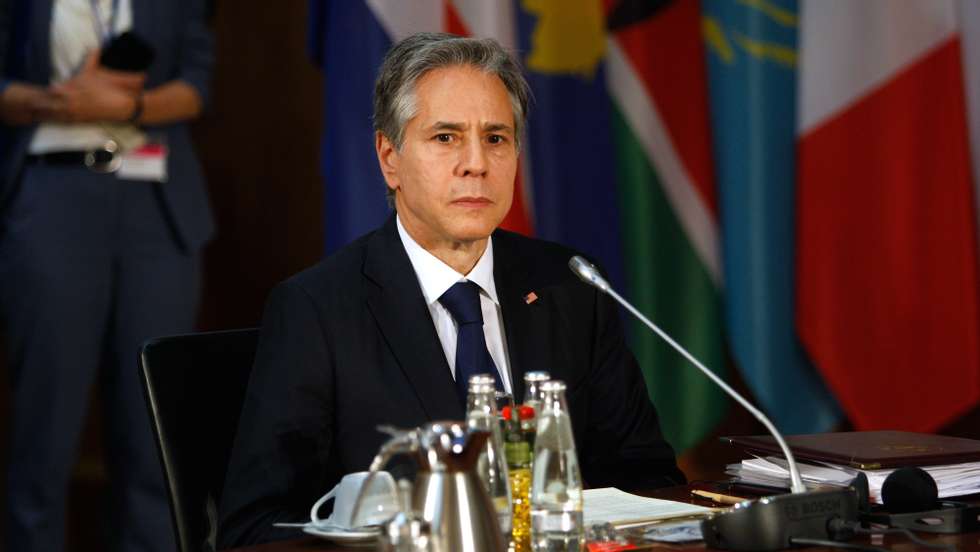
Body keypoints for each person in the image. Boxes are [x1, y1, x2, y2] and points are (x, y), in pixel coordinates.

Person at [218, 32, 684, 548]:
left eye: (495, 138)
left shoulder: (570, 285)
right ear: (389, 158)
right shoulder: (316, 310)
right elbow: (254, 529)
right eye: (445, 138)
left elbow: (650, 479)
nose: (476, 164)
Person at [0, 1, 214, 551]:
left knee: (153, 432)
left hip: (156, 203)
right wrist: (60, 102)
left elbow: (197, 82)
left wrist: (131, 103)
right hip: (53, 194)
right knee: (43, 429)